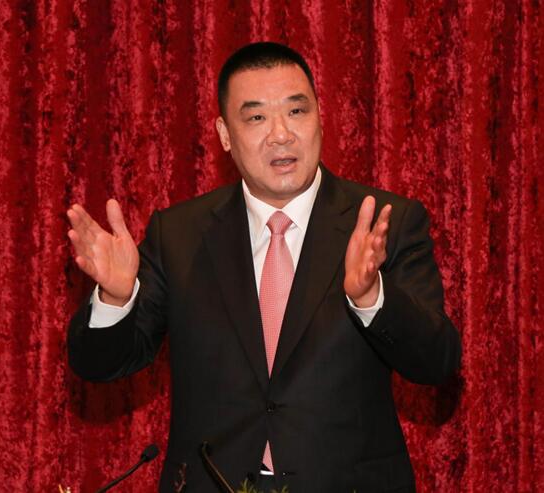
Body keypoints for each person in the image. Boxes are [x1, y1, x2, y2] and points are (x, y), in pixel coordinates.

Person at [66, 42, 461, 492]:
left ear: (320, 117)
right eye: (256, 118)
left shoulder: (383, 223)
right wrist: (115, 299)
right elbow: (100, 365)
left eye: (297, 111)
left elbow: (437, 363)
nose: (281, 134)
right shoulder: (179, 235)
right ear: (224, 134)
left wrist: (372, 298)